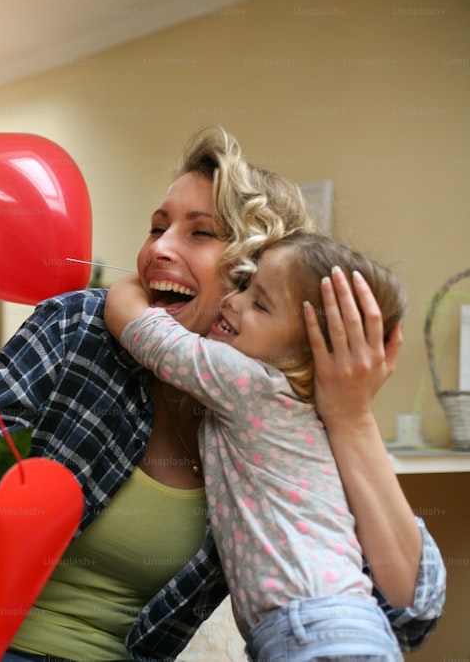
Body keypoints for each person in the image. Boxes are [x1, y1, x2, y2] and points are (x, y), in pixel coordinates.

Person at [0, 127, 446, 661]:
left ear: (251, 274)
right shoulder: (80, 329)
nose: (158, 249)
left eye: (199, 232)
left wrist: (352, 419)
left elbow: (409, 609)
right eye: (156, 226)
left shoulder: (285, 412)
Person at [104, 231, 409, 661]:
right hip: (347, 624)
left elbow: (144, 332)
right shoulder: (315, 410)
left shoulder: (249, 384)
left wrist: (129, 285)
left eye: (259, 304)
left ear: (309, 353)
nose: (234, 301)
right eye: (245, 286)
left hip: (307, 629)